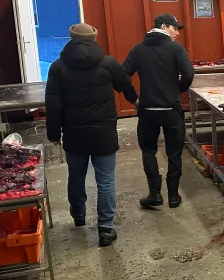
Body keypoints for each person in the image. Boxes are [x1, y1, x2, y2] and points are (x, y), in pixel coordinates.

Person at [45, 23, 137, 247]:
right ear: (94, 39)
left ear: (71, 38)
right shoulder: (108, 63)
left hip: (74, 134)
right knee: (105, 181)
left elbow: (53, 104)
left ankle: (78, 215)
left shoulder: (58, 67)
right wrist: (135, 101)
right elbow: (125, 84)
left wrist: (54, 133)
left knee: (76, 177)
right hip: (103, 134)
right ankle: (106, 229)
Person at [123, 13, 195, 209]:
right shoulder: (175, 49)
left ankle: (154, 194)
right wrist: (176, 90)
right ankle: (173, 196)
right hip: (171, 109)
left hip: (148, 111)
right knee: (174, 152)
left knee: (148, 150)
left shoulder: (138, 50)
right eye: (174, 28)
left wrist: (133, 98)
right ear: (164, 27)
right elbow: (189, 74)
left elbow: (122, 76)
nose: (177, 33)